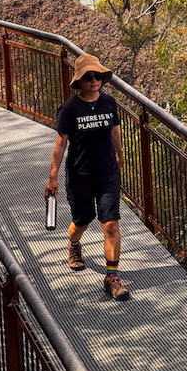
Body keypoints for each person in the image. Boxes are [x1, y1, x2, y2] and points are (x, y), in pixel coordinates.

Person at [45, 53, 131, 301]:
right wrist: (52, 177)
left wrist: (119, 154)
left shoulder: (109, 103)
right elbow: (61, 144)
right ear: (79, 81)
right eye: (89, 77)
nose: (95, 81)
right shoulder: (69, 109)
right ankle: (73, 244)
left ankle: (112, 276)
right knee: (82, 220)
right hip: (80, 173)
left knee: (110, 224)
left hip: (107, 172)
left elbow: (115, 130)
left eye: (98, 77)